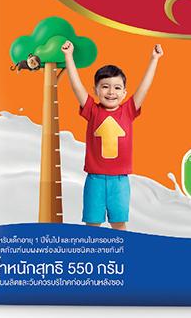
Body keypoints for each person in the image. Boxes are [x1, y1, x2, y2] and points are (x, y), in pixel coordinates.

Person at [61, 41, 164, 230]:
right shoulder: (92, 110)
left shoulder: (128, 111)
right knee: (92, 225)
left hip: (120, 181)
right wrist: (69, 56)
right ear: (95, 90)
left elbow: (144, 88)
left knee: (119, 224)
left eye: (117, 88)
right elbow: (76, 87)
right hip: (95, 180)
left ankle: (121, 249)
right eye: (105, 86)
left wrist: (154, 59)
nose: (111, 92)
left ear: (124, 93)